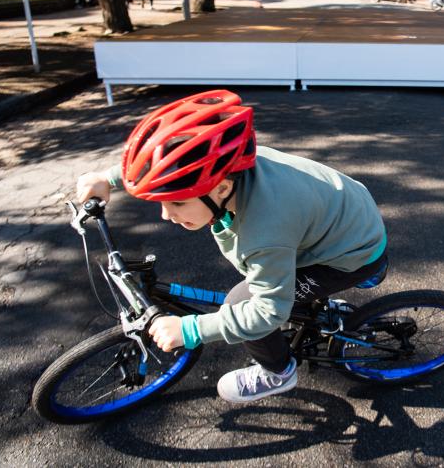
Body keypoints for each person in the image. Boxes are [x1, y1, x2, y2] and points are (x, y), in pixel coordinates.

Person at [75, 90, 389, 403]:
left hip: (351, 254)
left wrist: (191, 330)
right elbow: (176, 163)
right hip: (343, 219)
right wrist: (108, 178)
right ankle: (304, 307)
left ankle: (278, 372)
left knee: (241, 301)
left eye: (179, 203)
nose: (166, 215)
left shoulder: (264, 230)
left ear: (222, 187)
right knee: (271, 288)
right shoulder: (230, 166)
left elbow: (266, 312)